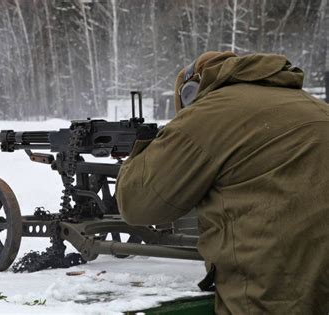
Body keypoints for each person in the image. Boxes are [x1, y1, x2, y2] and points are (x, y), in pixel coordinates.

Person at [116, 51, 329, 314]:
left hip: (268, 297)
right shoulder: (317, 107)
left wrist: (143, 156)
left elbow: (138, 203)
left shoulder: (210, 113)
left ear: (191, 91)